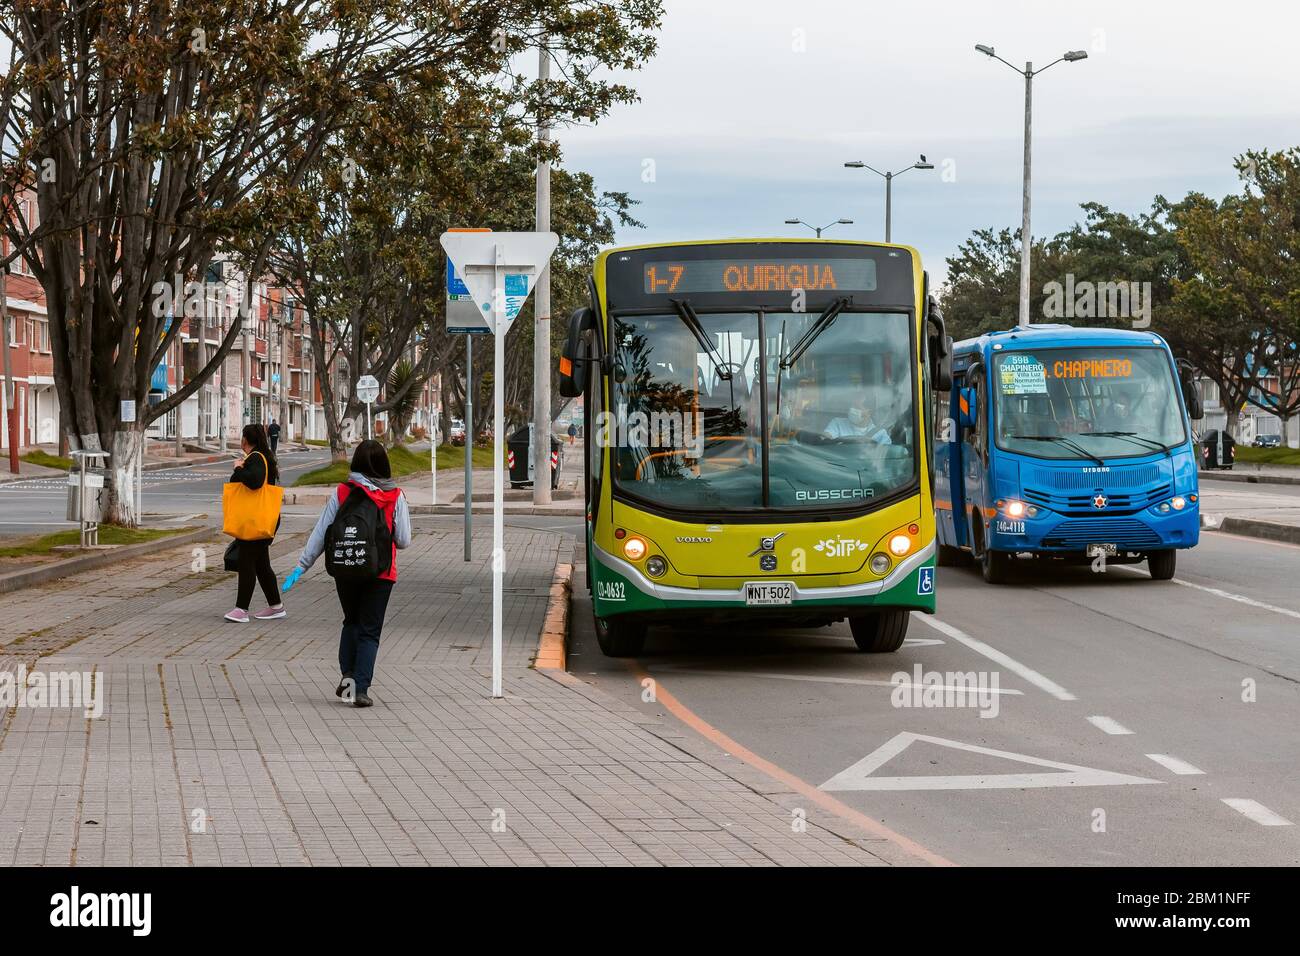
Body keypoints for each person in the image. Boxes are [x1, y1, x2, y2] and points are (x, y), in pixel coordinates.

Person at [290, 440, 411, 708]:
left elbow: (322, 532)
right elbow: (403, 540)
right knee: (370, 631)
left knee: (351, 622)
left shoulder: (342, 492)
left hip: (345, 567)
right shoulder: (395, 495)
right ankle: (361, 688)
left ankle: (348, 678)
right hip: (381, 573)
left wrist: (301, 567)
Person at [225, 424, 285, 623]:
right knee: (261, 565)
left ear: (245, 440)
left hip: (254, 520)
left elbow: (255, 482)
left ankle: (241, 609)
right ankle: (276, 606)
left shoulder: (256, 458)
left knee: (247, 563)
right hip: (264, 518)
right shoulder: (264, 456)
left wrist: (239, 468)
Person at [823, 387, 892, 444]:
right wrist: (826, 438)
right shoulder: (837, 423)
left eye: (857, 407)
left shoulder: (880, 434)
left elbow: (887, 455)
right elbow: (825, 438)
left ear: (869, 412)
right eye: (852, 406)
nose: (852, 410)